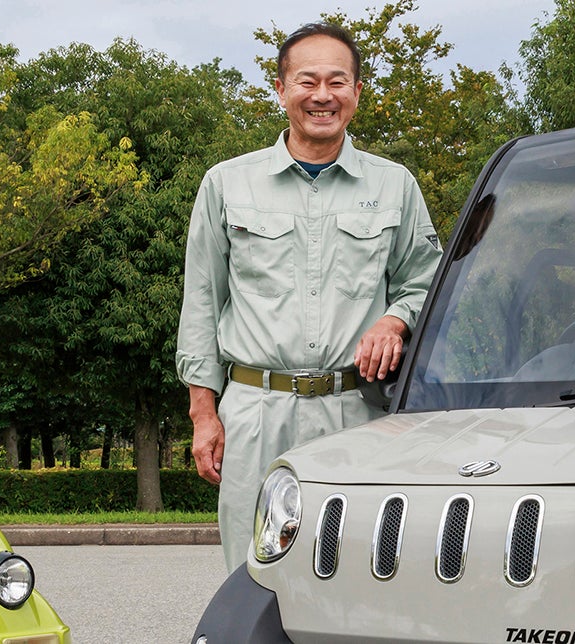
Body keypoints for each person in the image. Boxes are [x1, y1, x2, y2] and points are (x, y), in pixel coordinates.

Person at [175, 21, 443, 571]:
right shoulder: (226, 185)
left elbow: (428, 282)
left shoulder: (395, 186)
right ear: (280, 89)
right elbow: (201, 302)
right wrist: (205, 414)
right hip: (254, 414)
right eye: (307, 81)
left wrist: (395, 321)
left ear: (357, 92)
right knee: (252, 576)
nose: (322, 95)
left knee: (361, 572)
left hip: (358, 414)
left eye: (337, 82)